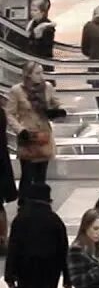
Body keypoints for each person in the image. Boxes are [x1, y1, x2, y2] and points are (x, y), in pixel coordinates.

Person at [3, 183, 66, 288]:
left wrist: (9, 275)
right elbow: (64, 249)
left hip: (26, 272)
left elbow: (13, 249)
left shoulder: (21, 219)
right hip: (50, 272)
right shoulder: (54, 219)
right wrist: (68, 276)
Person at [7, 63, 63, 192]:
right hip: (27, 136)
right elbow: (9, 113)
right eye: (37, 73)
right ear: (28, 75)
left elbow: (57, 104)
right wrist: (19, 129)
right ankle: (24, 204)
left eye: (42, 72)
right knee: (27, 175)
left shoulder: (47, 87)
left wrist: (56, 112)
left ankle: (41, 204)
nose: (41, 76)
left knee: (41, 176)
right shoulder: (17, 90)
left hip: (44, 135)